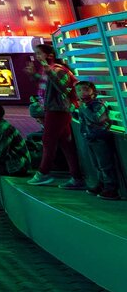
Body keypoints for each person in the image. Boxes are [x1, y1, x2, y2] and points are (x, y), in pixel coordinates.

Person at [26, 44, 85, 189]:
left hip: (58, 110)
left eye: (39, 53)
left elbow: (63, 89)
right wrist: (35, 75)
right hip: (54, 109)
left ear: (50, 55)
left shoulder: (58, 70)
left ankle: (43, 173)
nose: (37, 57)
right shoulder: (50, 70)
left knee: (48, 140)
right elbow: (48, 87)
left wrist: (48, 73)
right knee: (66, 144)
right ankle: (76, 177)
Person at [75, 82, 120, 200]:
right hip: (90, 138)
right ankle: (102, 184)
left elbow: (95, 118)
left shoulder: (99, 104)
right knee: (97, 164)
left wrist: (82, 108)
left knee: (105, 164)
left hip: (100, 138)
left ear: (93, 92)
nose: (82, 93)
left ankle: (111, 188)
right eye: (79, 90)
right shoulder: (84, 105)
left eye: (85, 90)